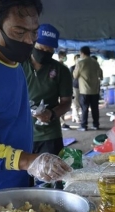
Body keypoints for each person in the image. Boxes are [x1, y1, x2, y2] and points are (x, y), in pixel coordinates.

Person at [0, 0, 71, 198]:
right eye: (19, 32)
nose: (28, 41)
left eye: (34, 32)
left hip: (18, 180)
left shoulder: (13, 59)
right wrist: (28, 161)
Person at [22, 24, 73, 184]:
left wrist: (51, 114)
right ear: (33, 42)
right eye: (42, 48)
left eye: (50, 51)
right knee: (23, 181)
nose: (45, 53)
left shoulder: (61, 70)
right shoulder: (18, 65)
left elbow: (66, 103)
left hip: (49, 135)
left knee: (51, 179)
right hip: (22, 134)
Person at [73, 46, 101, 131]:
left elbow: (75, 75)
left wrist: (77, 64)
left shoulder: (81, 63)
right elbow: (100, 74)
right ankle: (95, 124)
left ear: (82, 53)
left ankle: (83, 125)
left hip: (84, 90)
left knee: (84, 108)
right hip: (94, 90)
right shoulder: (95, 62)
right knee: (95, 108)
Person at [58, 50, 70, 130]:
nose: (65, 57)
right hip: (57, 90)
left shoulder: (64, 66)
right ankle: (62, 123)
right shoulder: (56, 66)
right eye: (64, 56)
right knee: (59, 107)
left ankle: (63, 122)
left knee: (63, 106)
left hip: (63, 91)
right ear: (60, 56)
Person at [69, 54, 81, 123]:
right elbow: (70, 79)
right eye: (77, 59)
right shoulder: (72, 68)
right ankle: (77, 117)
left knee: (78, 103)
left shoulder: (82, 67)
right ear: (75, 60)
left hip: (81, 87)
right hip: (75, 87)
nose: (78, 60)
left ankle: (74, 117)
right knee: (76, 103)